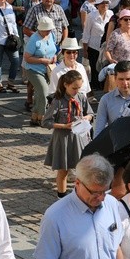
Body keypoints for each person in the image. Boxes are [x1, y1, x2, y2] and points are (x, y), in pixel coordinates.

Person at [35, 153, 127, 259]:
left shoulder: (112, 204)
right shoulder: (55, 217)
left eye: (104, 191)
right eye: (95, 192)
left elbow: (116, 251)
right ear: (77, 183)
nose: (101, 198)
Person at [42, 70, 93, 198]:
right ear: (66, 85)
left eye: (79, 88)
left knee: (82, 169)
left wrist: (87, 118)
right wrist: (64, 126)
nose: (76, 91)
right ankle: (61, 196)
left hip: (79, 138)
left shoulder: (81, 98)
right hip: (63, 139)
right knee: (63, 169)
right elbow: (46, 122)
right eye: (74, 88)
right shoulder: (58, 101)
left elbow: (91, 113)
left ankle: (81, 195)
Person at [94, 60, 130, 136]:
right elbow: (99, 128)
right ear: (115, 78)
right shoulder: (106, 100)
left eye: (128, 79)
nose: (125, 83)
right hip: (116, 145)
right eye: (121, 79)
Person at [22, 16, 57, 126]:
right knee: (43, 91)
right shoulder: (34, 39)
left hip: (48, 69)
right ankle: (42, 116)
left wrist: (54, 56)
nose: (48, 32)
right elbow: (27, 58)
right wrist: (42, 60)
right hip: (33, 69)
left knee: (39, 93)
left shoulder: (51, 35)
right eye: (46, 30)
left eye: (49, 29)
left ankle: (35, 116)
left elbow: (54, 49)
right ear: (40, 29)